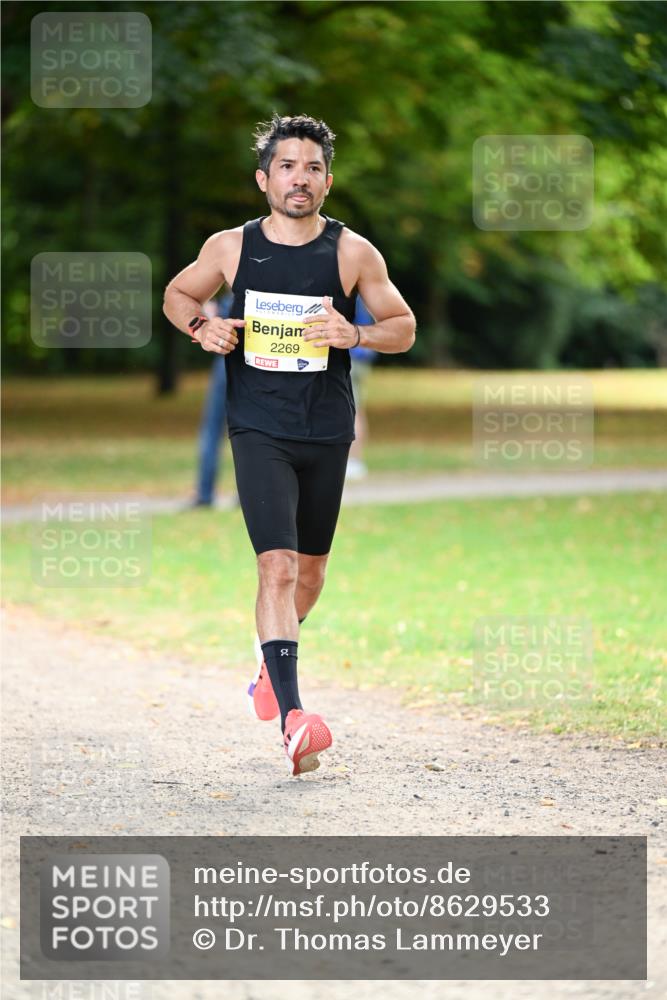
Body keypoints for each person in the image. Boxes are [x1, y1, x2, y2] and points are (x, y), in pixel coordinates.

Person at [163, 113, 415, 776]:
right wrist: (202, 327)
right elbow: (179, 294)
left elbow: (403, 326)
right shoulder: (231, 247)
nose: (299, 178)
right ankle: (294, 720)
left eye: (312, 168)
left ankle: (267, 664)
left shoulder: (352, 253)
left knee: (310, 573)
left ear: (327, 181)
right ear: (263, 179)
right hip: (258, 427)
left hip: (326, 428)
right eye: (286, 166)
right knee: (275, 567)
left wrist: (356, 335)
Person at [185, 291, 233, 508]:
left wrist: (210, 315)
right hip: (250, 368)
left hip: (225, 364)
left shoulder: (228, 300)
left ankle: (205, 493)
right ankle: (249, 495)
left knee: (212, 430)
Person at [346, 296, 377, 480]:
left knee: (352, 410)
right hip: (362, 353)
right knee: (357, 408)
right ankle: (355, 460)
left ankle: (354, 461)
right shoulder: (364, 291)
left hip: (351, 356)